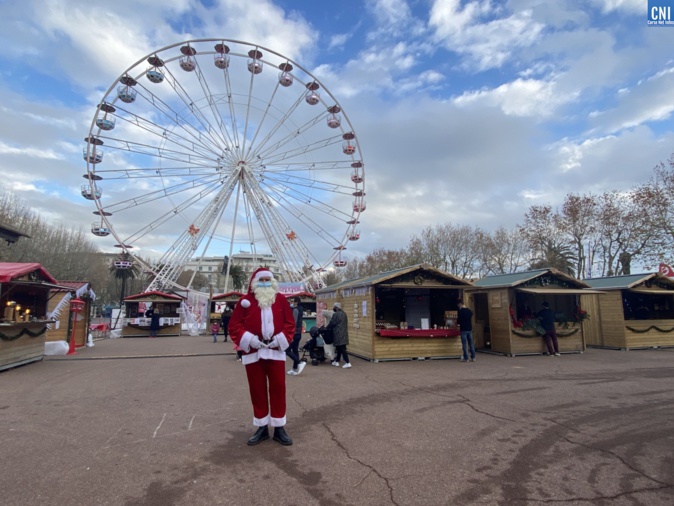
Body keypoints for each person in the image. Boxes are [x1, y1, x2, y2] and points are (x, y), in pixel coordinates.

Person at [228, 267, 296, 446]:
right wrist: (250, 340)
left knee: (278, 388)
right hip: (254, 352)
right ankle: (262, 427)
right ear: (254, 283)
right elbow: (234, 326)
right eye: (261, 280)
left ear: (273, 282)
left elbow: (290, 324)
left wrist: (279, 340)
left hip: (275, 351)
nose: (264, 283)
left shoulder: (280, 300)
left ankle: (279, 427)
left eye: (267, 280)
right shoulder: (245, 301)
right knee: (257, 390)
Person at [326, 302, 350, 368]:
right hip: (344, 332)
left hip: (338, 333)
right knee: (339, 347)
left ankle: (347, 362)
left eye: (334, 307)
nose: (333, 308)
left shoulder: (336, 314)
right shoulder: (344, 314)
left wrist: (327, 328)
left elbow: (332, 323)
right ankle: (337, 361)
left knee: (342, 348)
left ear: (336, 308)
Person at [286, 296, 306, 376]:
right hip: (298, 333)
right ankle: (294, 368)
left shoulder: (295, 310)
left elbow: (293, 322)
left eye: (292, 301)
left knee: (287, 350)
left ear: (296, 302)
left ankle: (299, 362)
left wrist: (290, 333)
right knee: (295, 350)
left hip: (294, 333)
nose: (291, 303)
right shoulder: (300, 309)